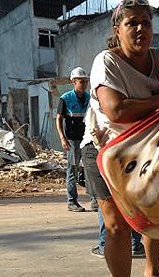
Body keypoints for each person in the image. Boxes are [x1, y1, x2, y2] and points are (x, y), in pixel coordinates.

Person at [82, 0, 159, 277]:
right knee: (116, 226)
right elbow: (116, 110)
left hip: (146, 149)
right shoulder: (106, 61)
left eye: (146, 22)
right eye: (132, 23)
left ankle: (152, 270)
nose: (141, 28)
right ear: (118, 30)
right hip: (106, 150)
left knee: (157, 218)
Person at [57, 67, 91, 213]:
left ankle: (95, 200)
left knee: (90, 169)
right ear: (73, 82)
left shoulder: (90, 98)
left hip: (87, 138)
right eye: (81, 81)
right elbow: (59, 119)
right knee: (72, 169)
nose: (84, 84)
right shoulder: (65, 99)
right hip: (72, 139)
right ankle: (72, 201)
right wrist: (62, 138)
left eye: (85, 81)